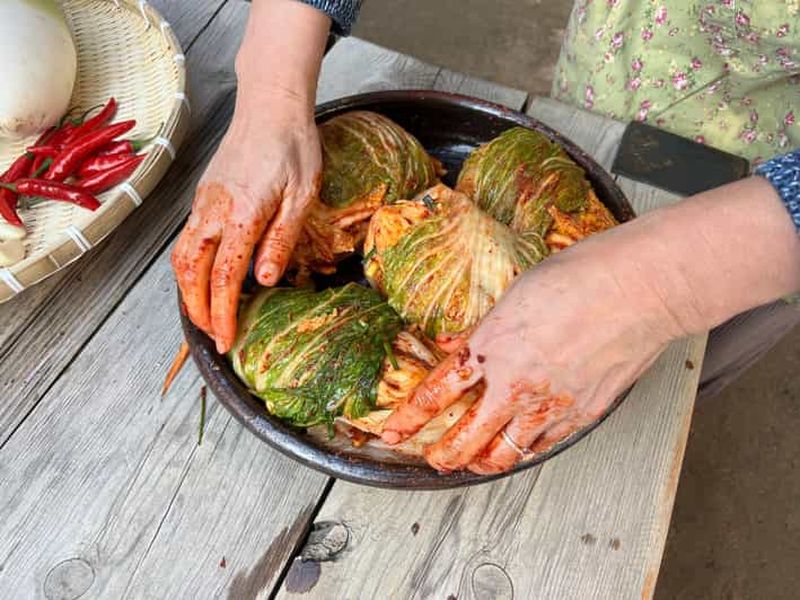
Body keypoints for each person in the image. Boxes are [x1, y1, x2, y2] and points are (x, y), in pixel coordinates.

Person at [172, 0, 800, 474]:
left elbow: (675, 290)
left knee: (670, 388)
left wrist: (663, 293)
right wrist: (273, 93)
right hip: (635, 46)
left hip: (765, 199)